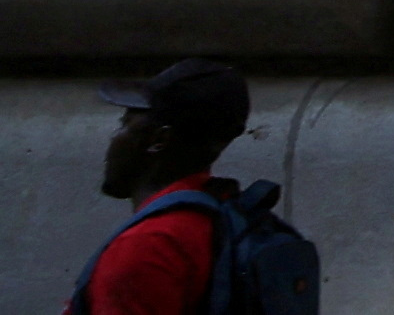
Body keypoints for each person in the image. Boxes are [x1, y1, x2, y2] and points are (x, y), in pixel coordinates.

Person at [58, 64, 253, 315]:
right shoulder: (224, 221)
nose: (113, 138)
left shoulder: (148, 245)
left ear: (158, 140)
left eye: (124, 123)